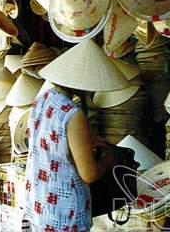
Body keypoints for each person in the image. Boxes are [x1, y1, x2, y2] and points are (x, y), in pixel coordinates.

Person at [24, 85, 115, 232]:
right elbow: (89, 174)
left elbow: (50, 141)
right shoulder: (73, 114)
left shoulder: (42, 98)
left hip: (40, 209)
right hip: (66, 216)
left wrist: (85, 140)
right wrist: (108, 160)